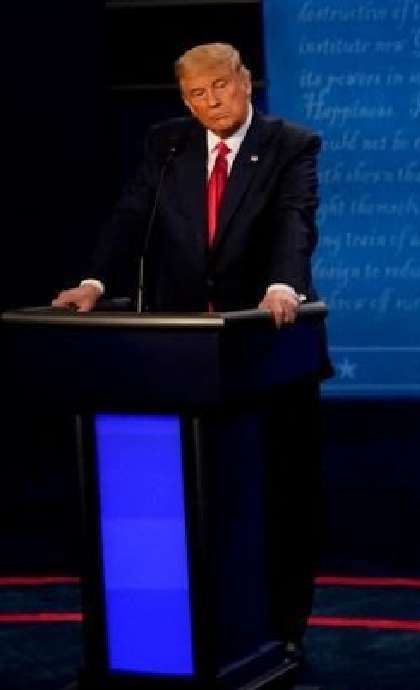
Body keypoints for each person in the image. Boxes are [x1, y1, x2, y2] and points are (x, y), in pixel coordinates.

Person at [53, 42, 328, 661]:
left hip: (265, 350)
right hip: (176, 358)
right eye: (196, 95)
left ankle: (283, 629)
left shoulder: (292, 144)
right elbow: (131, 215)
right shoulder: (168, 143)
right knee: (189, 502)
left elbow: (295, 219)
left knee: (281, 497)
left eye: (220, 89)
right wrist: (96, 282)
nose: (211, 104)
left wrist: (283, 283)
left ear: (246, 82)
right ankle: (186, 632)